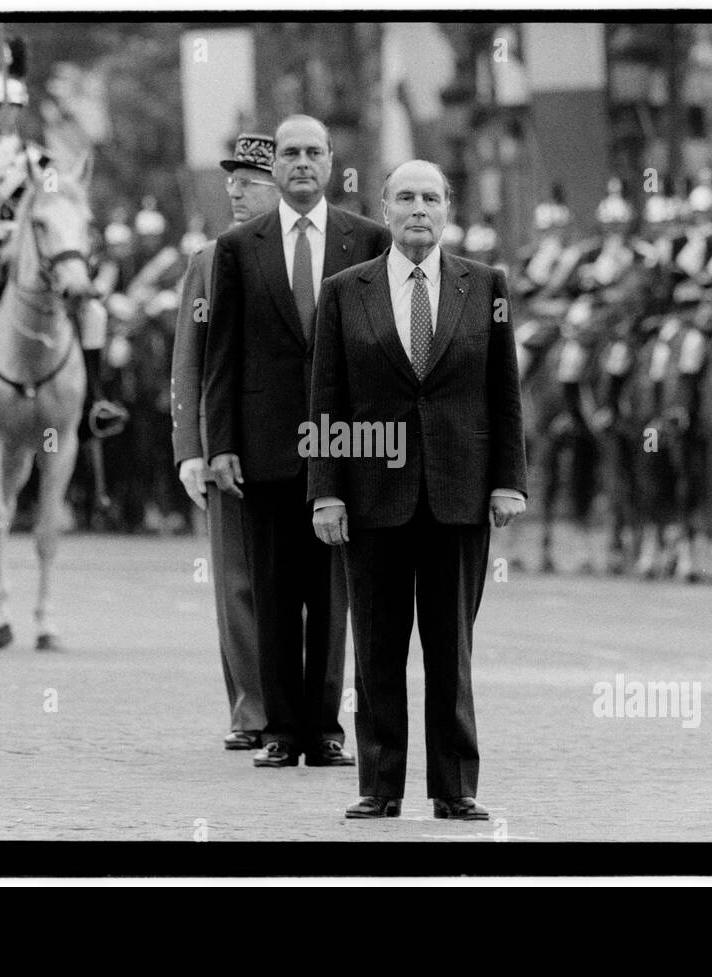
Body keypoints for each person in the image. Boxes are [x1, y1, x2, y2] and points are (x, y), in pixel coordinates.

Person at [308, 160, 528, 819]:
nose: (418, 209)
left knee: (449, 649)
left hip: (459, 495)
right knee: (376, 646)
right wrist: (326, 492)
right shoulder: (346, 291)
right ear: (384, 207)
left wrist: (508, 482)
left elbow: (504, 396)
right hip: (372, 499)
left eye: (430, 197)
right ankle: (378, 784)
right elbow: (327, 397)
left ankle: (454, 786)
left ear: (449, 207)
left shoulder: (486, 285)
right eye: (404, 197)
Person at [203, 115, 392, 769]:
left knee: (334, 594)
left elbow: (384, 353)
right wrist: (220, 441)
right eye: (291, 153)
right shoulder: (239, 246)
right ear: (275, 166)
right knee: (276, 588)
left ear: (333, 161)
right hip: (265, 445)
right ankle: (282, 728)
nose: (302, 163)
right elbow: (221, 355)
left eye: (314, 152)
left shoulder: (369, 239)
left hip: (345, 444)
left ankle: (326, 727)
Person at [0, 37, 125, 445]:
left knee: (94, 313)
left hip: (35, 251)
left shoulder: (40, 160)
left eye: (11, 107)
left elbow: (56, 204)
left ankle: (93, 402)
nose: (3, 114)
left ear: (20, 110)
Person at [170, 133, 280, 750]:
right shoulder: (208, 261)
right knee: (236, 580)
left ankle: (307, 708)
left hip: (305, 443)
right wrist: (190, 446)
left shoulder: (323, 256)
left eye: (250, 181)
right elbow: (188, 361)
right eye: (232, 179)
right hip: (225, 444)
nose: (234, 189)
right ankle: (251, 707)